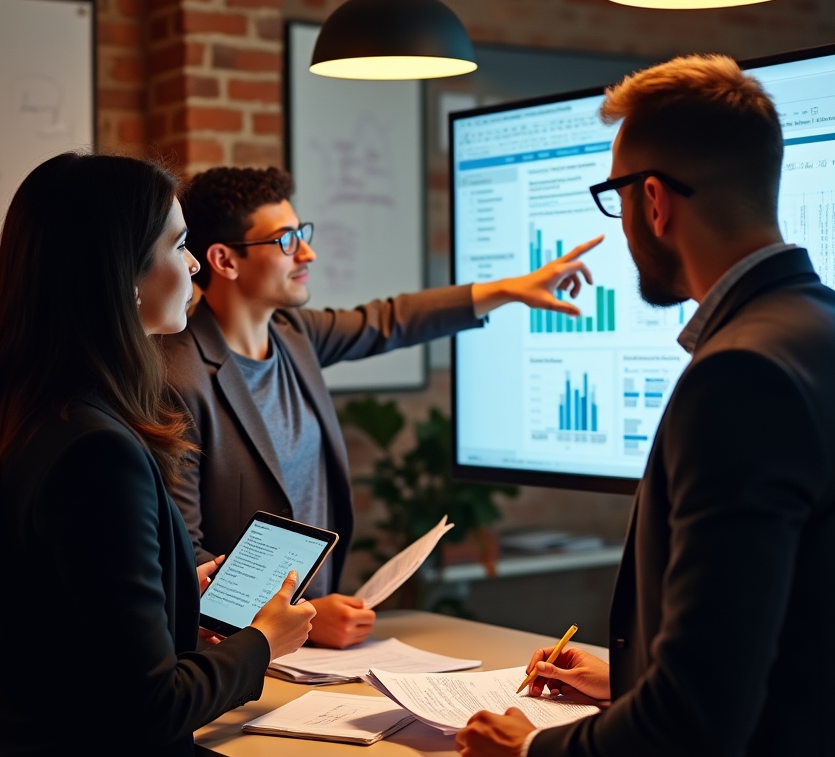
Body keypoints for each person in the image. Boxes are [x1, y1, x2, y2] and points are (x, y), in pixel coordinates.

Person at [454, 55, 835, 757]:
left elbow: (701, 720)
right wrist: (642, 678)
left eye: (614, 197)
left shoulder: (741, 376)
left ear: (653, 201)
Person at [0, 153, 317, 757]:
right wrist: (263, 639)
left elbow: (52, 620)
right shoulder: (97, 451)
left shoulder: (13, 417)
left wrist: (176, 586)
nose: (194, 264)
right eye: (176, 244)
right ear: (120, 275)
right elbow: (150, 705)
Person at [161, 165, 599, 651]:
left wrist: (511, 290)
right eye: (286, 240)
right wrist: (290, 613)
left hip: (311, 648)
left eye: (302, 234)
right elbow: (185, 554)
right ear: (225, 260)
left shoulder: (294, 335)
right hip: (231, 653)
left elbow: (390, 320)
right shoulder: (177, 378)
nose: (307, 252)